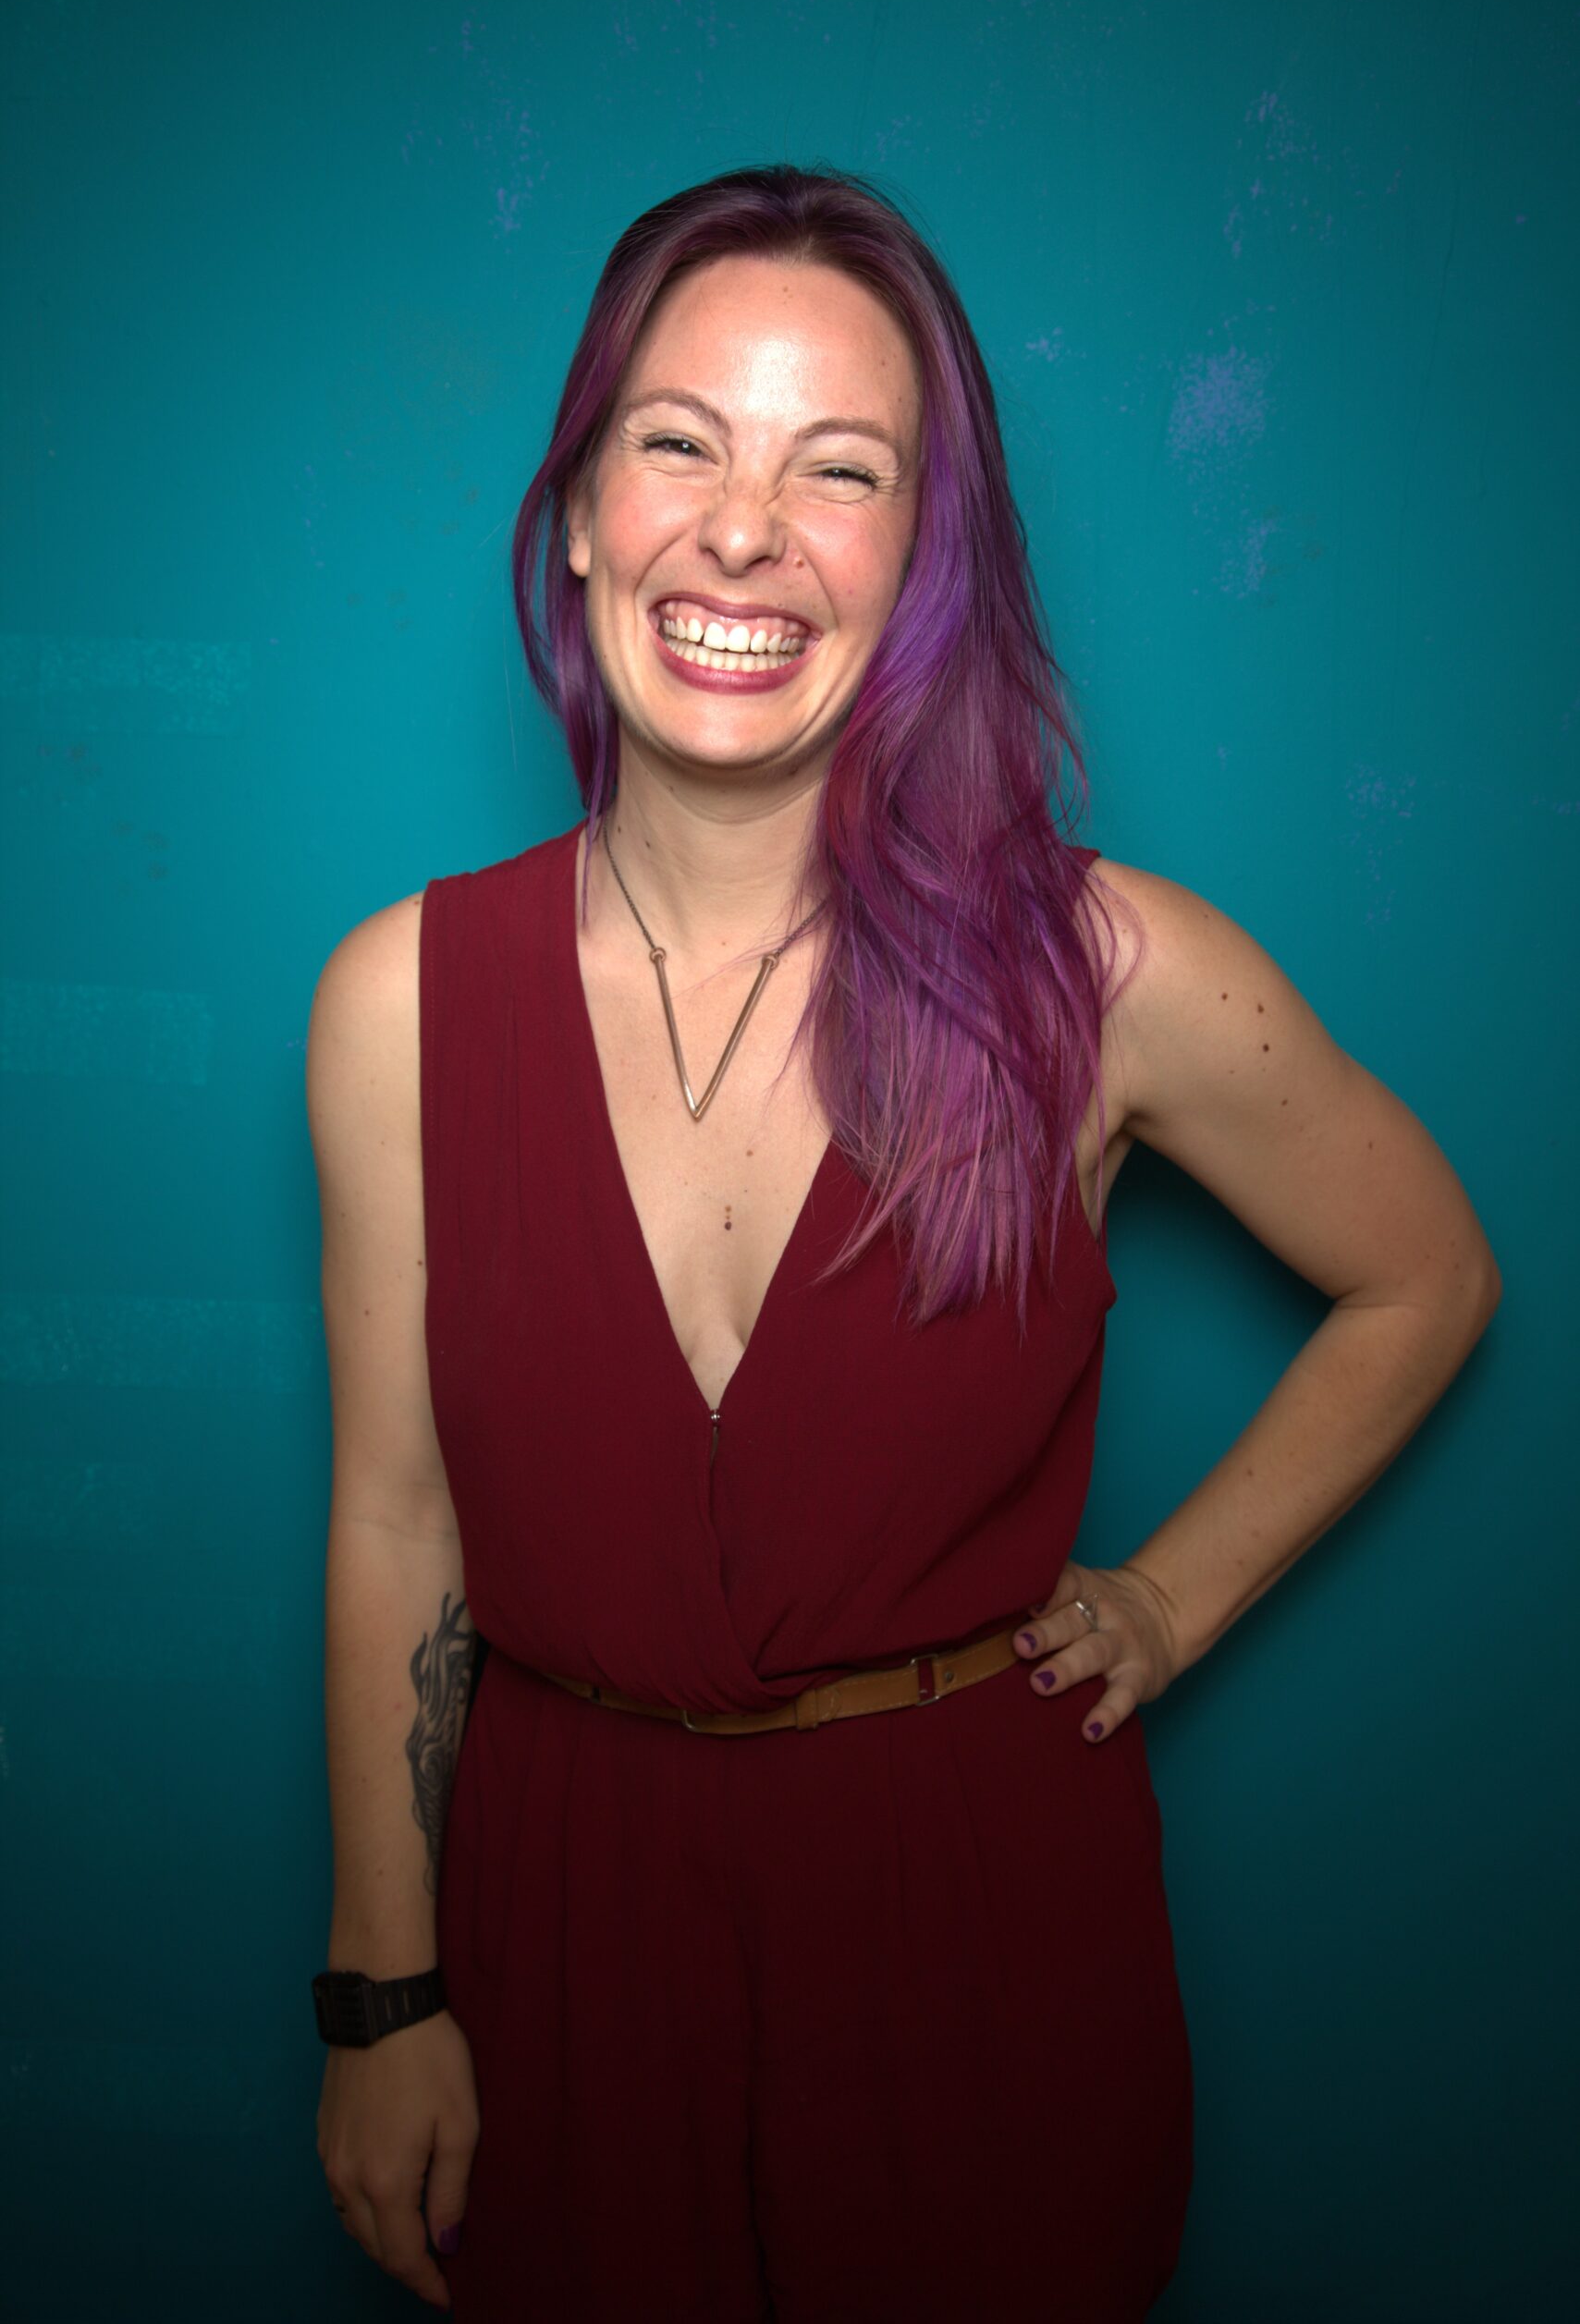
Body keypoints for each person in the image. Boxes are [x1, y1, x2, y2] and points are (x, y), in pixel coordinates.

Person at [307, 163, 1500, 2321]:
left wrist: (1168, 1593)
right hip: (561, 1925)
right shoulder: (398, 1000)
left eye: (836, 470)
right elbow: (400, 1519)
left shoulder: (1109, 971)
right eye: (677, 440)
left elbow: (1428, 1271)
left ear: (923, 563)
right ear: (577, 509)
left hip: (980, 1927)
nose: (742, 530)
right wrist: (382, 1995)